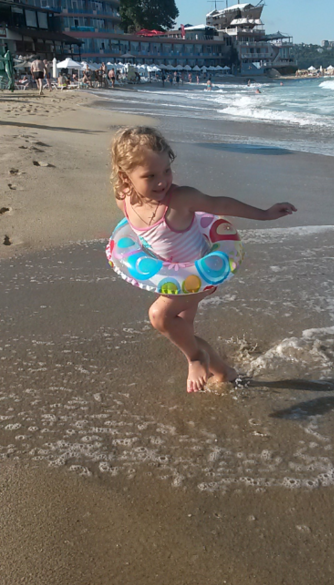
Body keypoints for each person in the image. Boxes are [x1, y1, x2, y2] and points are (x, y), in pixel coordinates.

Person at [110, 126, 297, 393]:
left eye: (166, 171)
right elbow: (137, 233)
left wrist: (265, 214)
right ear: (125, 177)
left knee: (160, 316)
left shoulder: (181, 199)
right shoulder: (124, 201)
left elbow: (222, 204)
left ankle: (196, 358)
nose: (162, 181)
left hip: (201, 276)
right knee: (183, 329)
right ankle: (225, 373)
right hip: (172, 277)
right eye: (150, 176)